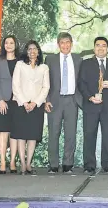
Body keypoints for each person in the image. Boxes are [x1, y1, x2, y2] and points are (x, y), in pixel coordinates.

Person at [79, 37, 108, 174]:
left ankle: (107, 166)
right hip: (91, 105)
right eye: (98, 45)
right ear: (94, 48)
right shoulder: (85, 64)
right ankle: (89, 165)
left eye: (103, 45)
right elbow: (81, 84)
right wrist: (90, 97)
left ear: (107, 48)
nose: (100, 48)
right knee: (89, 135)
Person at [45, 32, 83, 174]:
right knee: (54, 133)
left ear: (71, 44)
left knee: (70, 134)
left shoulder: (78, 59)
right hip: (55, 101)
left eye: (68, 42)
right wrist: (46, 100)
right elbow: (45, 81)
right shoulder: (50, 59)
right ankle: (53, 165)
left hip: (72, 100)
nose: (65, 45)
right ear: (58, 44)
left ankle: (68, 164)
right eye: (62, 42)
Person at [11, 40, 50, 175]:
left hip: (37, 106)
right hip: (21, 104)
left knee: (33, 136)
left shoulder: (44, 67)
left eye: (35, 49)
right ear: (26, 52)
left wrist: (35, 103)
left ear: (38, 51)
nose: (32, 51)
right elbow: (15, 85)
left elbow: (46, 87)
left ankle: (29, 164)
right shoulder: (20, 65)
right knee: (21, 136)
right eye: (29, 49)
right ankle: (22, 164)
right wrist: (24, 102)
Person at [0, 35, 20, 174]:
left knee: (15, 132)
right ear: (3, 45)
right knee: (3, 131)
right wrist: (0, 100)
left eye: (11, 43)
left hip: (18, 101)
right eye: (6, 43)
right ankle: (2, 162)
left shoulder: (21, 61)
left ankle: (13, 162)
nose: (8, 45)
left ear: (16, 45)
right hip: (2, 101)